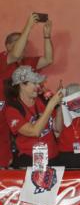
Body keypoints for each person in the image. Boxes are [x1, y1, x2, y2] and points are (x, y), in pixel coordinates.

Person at [0, 13, 54, 167]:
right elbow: (15, 54)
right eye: (19, 41)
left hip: (20, 112)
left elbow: (48, 59)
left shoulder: (26, 62)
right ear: (8, 46)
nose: (24, 46)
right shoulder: (3, 59)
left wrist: (47, 37)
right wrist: (29, 26)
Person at [4, 66, 62, 168]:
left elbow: (58, 128)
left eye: (38, 83)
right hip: (28, 161)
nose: (38, 86)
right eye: (34, 83)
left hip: (53, 158)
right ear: (21, 85)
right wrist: (51, 105)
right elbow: (34, 132)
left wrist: (59, 106)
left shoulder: (42, 100)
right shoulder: (12, 109)